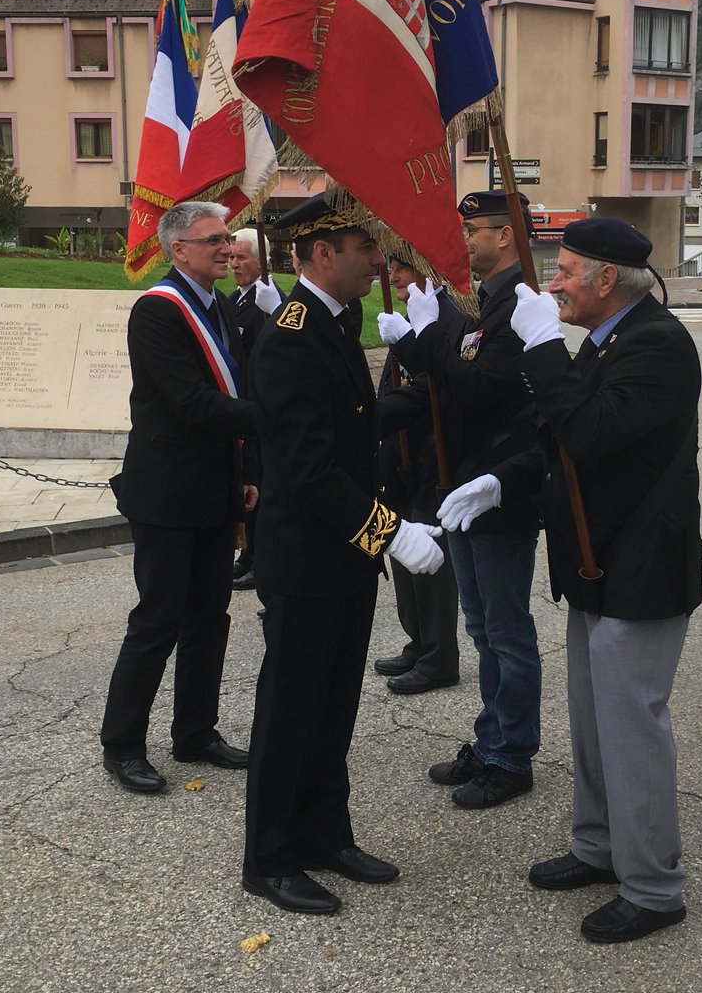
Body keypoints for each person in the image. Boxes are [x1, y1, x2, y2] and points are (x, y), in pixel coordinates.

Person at [438, 217, 702, 945]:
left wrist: (543, 347)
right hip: (597, 560)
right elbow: (557, 440)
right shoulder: (612, 340)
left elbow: (589, 432)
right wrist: (501, 479)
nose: (552, 282)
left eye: (565, 271)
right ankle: (598, 846)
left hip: (641, 566)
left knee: (631, 729)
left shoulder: (658, 345)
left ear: (606, 281)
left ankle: (653, 886)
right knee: (591, 721)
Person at [242, 192, 445, 916]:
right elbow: (308, 467)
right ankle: (268, 858)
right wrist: (389, 531)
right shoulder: (292, 334)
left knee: (333, 707)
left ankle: (325, 834)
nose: (376, 261)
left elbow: (352, 419)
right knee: (291, 709)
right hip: (307, 560)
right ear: (322, 254)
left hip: (343, 559)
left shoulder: (334, 320)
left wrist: (425, 393)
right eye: (365, 248)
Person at [378, 190, 542, 809]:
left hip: (499, 491)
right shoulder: (484, 305)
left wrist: (428, 337)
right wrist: (430, 341)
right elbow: (454, 383)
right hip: (465, 489)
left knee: (506, 632)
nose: (464, 241)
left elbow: (478, 389)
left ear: (506, 236)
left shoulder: (519, 306)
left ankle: (512, 755)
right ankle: (492, 737)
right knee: (481, 628)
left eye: (474, 231)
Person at [100, 200, 256, 794]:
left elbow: (233, 386)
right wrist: (278, 419)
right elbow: (192, 402)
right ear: (178, 250)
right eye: (213, 239)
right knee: (157, 619)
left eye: (227, 238)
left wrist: (247, 466)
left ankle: (195, 732)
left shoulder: (221, 306)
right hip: (167, 493)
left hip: (216, 487)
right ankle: (123, 745)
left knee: (209, 619)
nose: (226, 247)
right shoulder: (158, 311)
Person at [373, 257, 464, 695]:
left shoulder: (451, 320)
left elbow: (443, 387)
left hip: (432, 453)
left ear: (429, 272)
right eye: (390, 270)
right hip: (398, 453)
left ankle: (439, 656)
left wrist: (410, 341)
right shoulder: (405, 314)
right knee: (402, 546)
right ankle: (418, 641)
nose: (392, 279)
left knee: (429, 555)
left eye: (402, 271)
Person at [227, 228, 284, 591]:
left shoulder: (271, 302)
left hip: (260, 410)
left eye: (241, 257)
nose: (233, 264)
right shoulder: (234, 300)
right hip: (241, 410)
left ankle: (262, 562)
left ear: (261, 261)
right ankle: (248, 555)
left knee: (259, 488)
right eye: (231, 257)